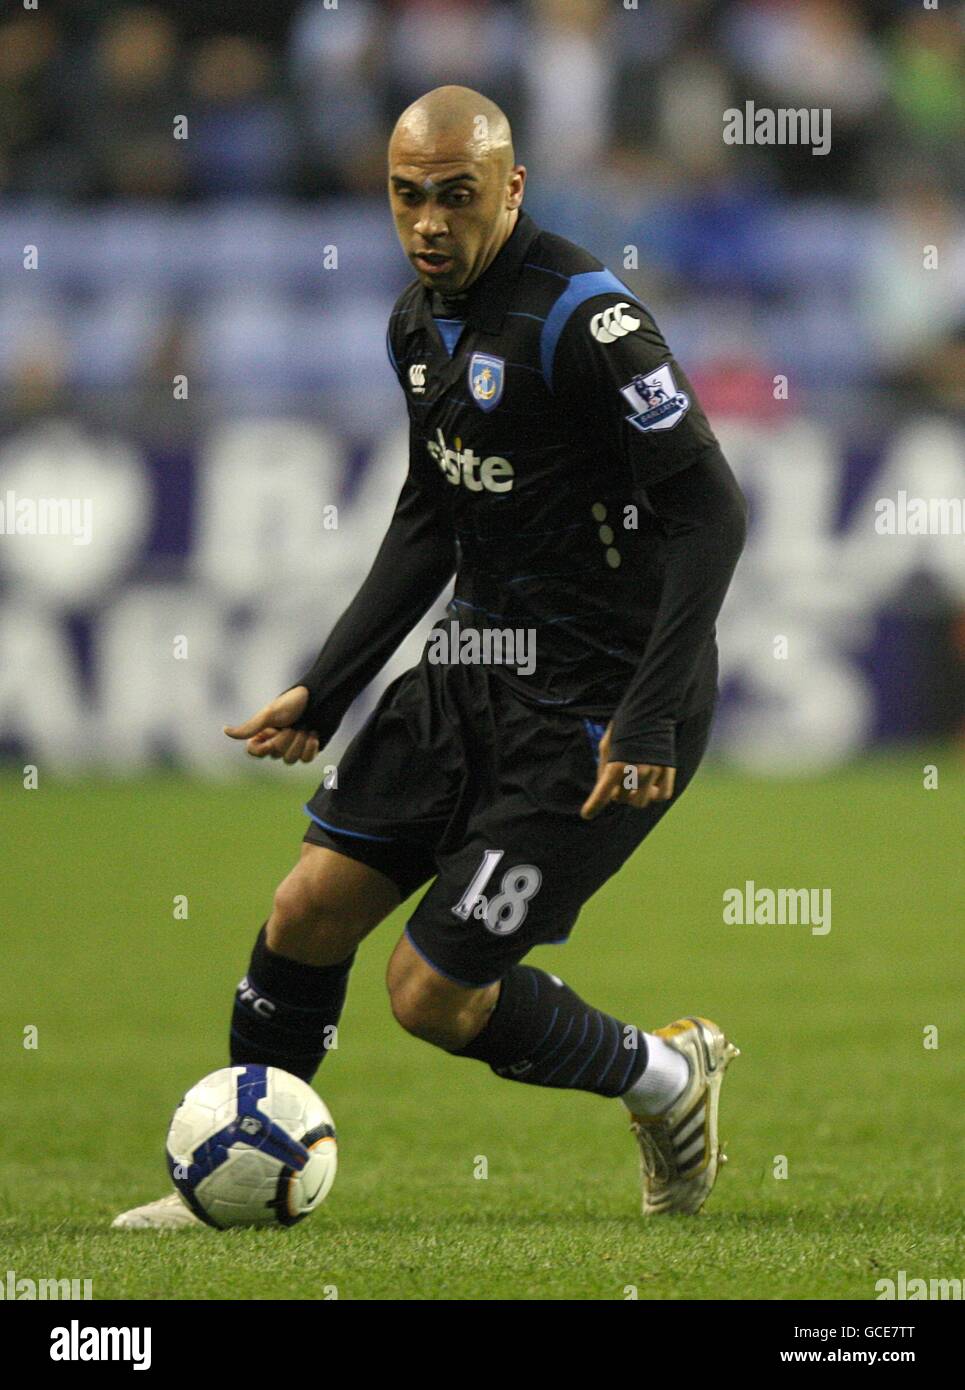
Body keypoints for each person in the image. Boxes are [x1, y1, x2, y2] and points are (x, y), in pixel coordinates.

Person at [114, 85, 746, 1230]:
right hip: (468, 673)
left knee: (429, 993)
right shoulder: (416, 321)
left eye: (456, 198)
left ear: (510, 189)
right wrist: (329, 681)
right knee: (305, 908)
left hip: (596, 711)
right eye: (408, 196)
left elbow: (711, 512)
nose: (428, 223)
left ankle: (667, 1078)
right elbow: (429, 512)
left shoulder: (585, 321)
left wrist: (645, 715)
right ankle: (233, 1187)